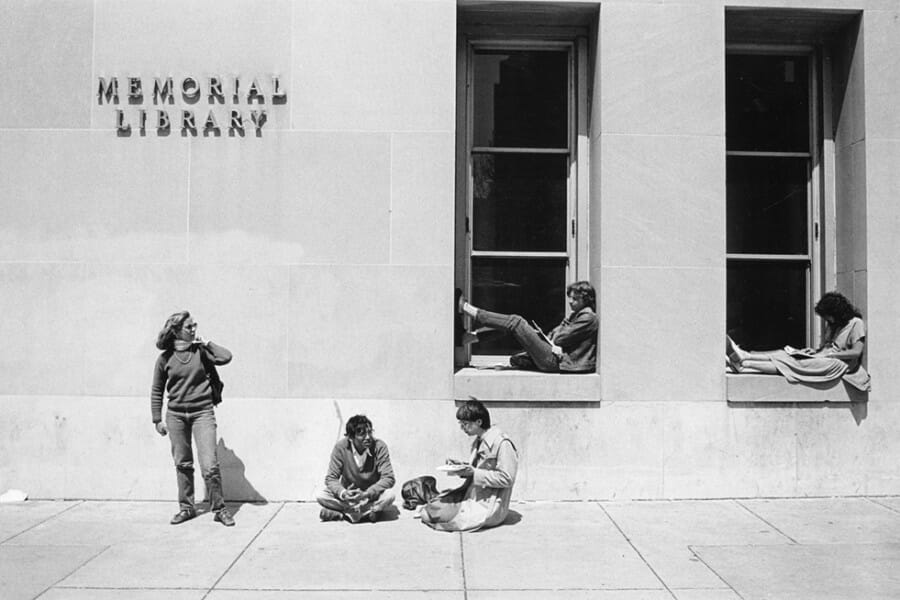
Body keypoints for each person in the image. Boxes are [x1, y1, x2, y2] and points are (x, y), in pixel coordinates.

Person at [151, 311, 235, 526]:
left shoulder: (201, 352)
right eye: (189, 326)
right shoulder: (165, 359)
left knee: (210, 465)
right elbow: (157, 390)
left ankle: (220, 509)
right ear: (177, 330)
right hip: (176, 415)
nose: (194, 329)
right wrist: (156, 419)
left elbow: (226, 357)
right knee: (183, 463)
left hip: (202, 412)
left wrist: (206, 342)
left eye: (195, 325)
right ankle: (187, 508)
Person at [726, 291, 871, 391]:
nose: (827, 320)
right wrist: (815, 351)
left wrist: (830, 355)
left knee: (796, 364)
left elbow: (856, 352)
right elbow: (827, 346)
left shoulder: (855, 323)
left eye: (828, 316)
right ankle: (746, 358)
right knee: (786, 354)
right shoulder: (833, 325)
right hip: (824, 356)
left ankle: (746, 364)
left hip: (837, 364)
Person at [458, 281, 598, 373]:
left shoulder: (587, 317)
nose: (570, 302)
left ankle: (468, 309)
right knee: (510, 326)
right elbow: (555, 336)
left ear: (586, 299)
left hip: (556, 362)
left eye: (575, 299)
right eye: (570, 298)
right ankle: (468, 338)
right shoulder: (577, 315)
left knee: (516, 321)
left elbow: (559, 338)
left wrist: (564, 324)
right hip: (555, 358)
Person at [422, 399, 518, 532]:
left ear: (478, 422)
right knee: (430, 508)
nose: (462, 428)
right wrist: (461, 467)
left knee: (428, 514)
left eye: (465, 424)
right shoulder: (479, 441)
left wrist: (474, 473)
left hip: (487, 504)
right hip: (470, 495)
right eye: (461, 424)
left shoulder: (502, 443)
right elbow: (478, 469)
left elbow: (507, 478)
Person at [316, 415, 396, 523]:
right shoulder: (341, 448)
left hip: (370, 497)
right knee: (320, 494)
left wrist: (367, 494)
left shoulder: (379, 447)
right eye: (362, 434)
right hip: (349, 499)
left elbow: (389, 478)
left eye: (369, 432)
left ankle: (343, 514)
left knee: (390, 495)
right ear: (350, 437)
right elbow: (331, 478)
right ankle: (367, 514)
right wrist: (344, 493)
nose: (368, 437)